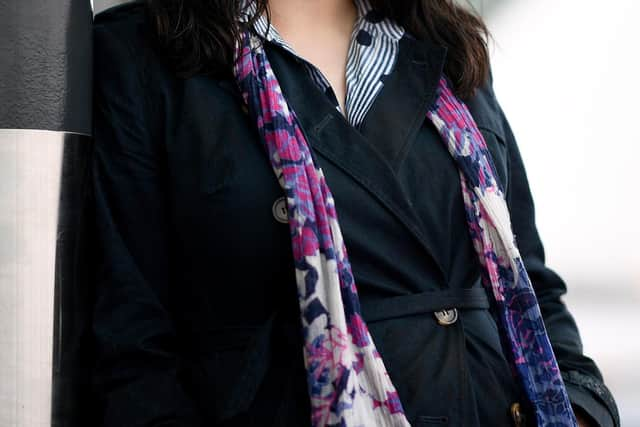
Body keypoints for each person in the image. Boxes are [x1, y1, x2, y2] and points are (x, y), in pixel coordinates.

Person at [90, 0, 620, 426]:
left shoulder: (446, 47)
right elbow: (130, 345)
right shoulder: (144, 55)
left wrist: (580, 405)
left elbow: (531, 285)